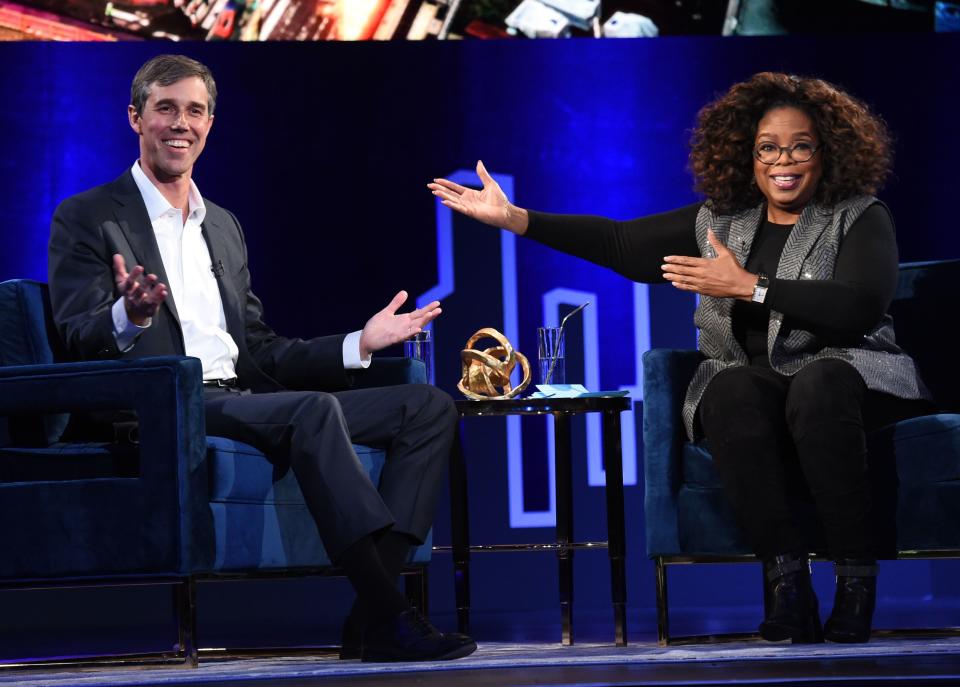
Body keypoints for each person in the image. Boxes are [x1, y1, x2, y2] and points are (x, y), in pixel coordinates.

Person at [429, 72, 935, 644]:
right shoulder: (720, 220)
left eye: (799, 146)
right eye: (768, 147)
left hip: (851, 381)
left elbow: (860, 308)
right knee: (730, 389)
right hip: (763, 387)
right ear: (747, 153)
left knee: (817, 383)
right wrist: (517, 219)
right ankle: (786, 583)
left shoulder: (858, 214)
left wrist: (751, 286)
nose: (782, 161)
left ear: (827, 151)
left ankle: (855, 581)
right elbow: (619, 243)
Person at [48, 54, 476, 663]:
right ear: (135, 118)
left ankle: (373, 611)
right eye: (165, 108)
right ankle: (390, 615)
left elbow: (261, 348)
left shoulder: (221, 224)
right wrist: (131, 314)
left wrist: (359, 342)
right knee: (311, 412)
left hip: (242, 398)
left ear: (210, 124)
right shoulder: (90, 215)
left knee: (426, 407)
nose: (180, 123)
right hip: (166, 404)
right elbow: (75, 336)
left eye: (194, 110)